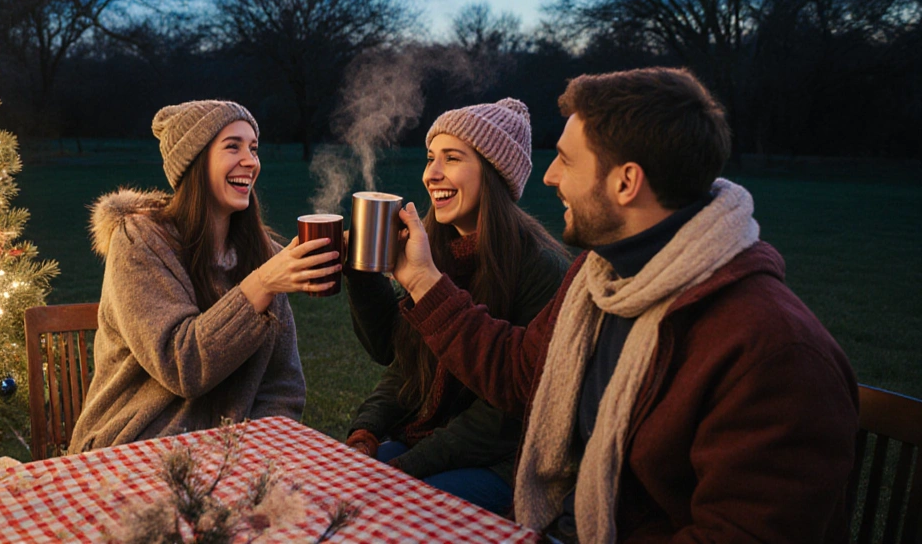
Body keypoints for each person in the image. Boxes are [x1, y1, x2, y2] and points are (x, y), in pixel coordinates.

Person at [387, 69, 858, 542]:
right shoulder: (600, 278)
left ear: (626, 182)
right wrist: (425, 281)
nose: (549, 176)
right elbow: (520, 373)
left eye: (568, 162)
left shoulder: (772, 351)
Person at [69, 100, 339, 452]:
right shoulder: (139, 242)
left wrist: (256, 453)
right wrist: (262, 284)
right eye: (233, 146)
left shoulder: (264, 254)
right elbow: (183, 366)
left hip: (229, 455)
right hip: (131, 448)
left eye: (253, 148)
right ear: (194, 160)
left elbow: (283, 387)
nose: (250, 161)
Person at [343, 99, 568, 513]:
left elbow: (503, 420)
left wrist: (405, 466)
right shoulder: (437, 250)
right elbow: (401, 358)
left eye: (452, 158)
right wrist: (367, 434)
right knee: (342, 489)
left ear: (494, 172)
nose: (432, 174)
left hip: (509, 462)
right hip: (437, 442)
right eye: (431, 158)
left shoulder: (539, 269)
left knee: (396, 508)